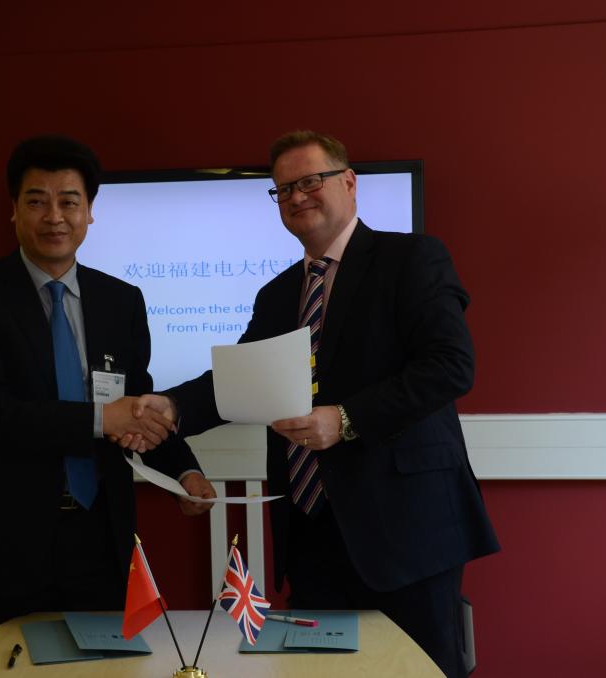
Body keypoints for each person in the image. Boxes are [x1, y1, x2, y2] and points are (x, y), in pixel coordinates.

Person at [134, 131, 499, 677]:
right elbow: (238, 382)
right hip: (310, 531)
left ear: (348, 183)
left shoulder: (411, 258)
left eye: (310, 181)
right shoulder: (277, 294)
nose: (296, 196)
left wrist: (346, 419)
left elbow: (451, 365)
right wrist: (170, 407)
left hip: (408, 531)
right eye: (283, 189)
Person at [0, 134, 216, 643]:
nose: (54, 217)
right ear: (14, 210)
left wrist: (185, 471)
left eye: (69, 202)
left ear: (89, 213)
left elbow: (138, 403)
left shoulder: (121, 300)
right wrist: (101, 419)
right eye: (36, 202)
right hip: (6, 542)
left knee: (103, 670)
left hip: (100, 539)